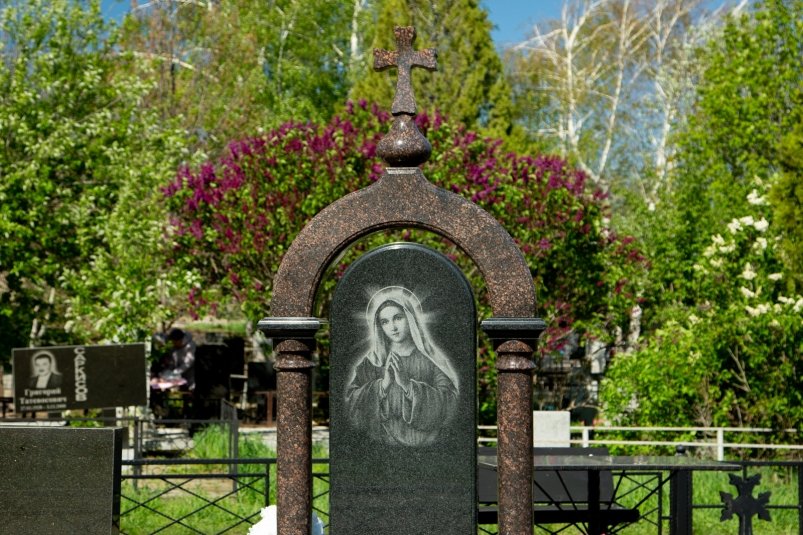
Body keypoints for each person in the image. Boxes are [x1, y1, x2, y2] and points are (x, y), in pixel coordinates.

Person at [345, 286, 458, 447]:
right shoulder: (372, 362)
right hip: (382, 443)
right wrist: (382, 386)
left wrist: (409, 387)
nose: (393, 327)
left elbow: (450, 401)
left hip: (427, 444)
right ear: (379, 327)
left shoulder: (431, 359)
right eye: (385, 322)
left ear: (410, 318)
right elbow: (351, 401)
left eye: (398, 318)